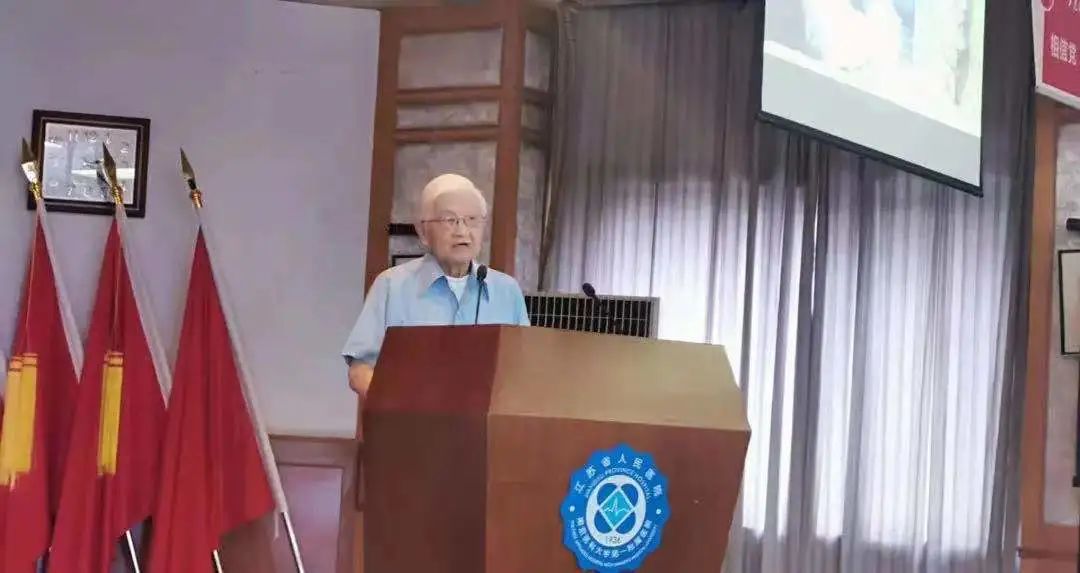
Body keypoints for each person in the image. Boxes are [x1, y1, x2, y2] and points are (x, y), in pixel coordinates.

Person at [341, 173, 530, 398]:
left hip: (486, 421)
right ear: (423, 232)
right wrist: (401, 405)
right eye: (449, 220)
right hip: (410, 418)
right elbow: (360, 371)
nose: (462, 231)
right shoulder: (392, 286)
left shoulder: (507, 291)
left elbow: (524, 371)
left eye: (472, 219)